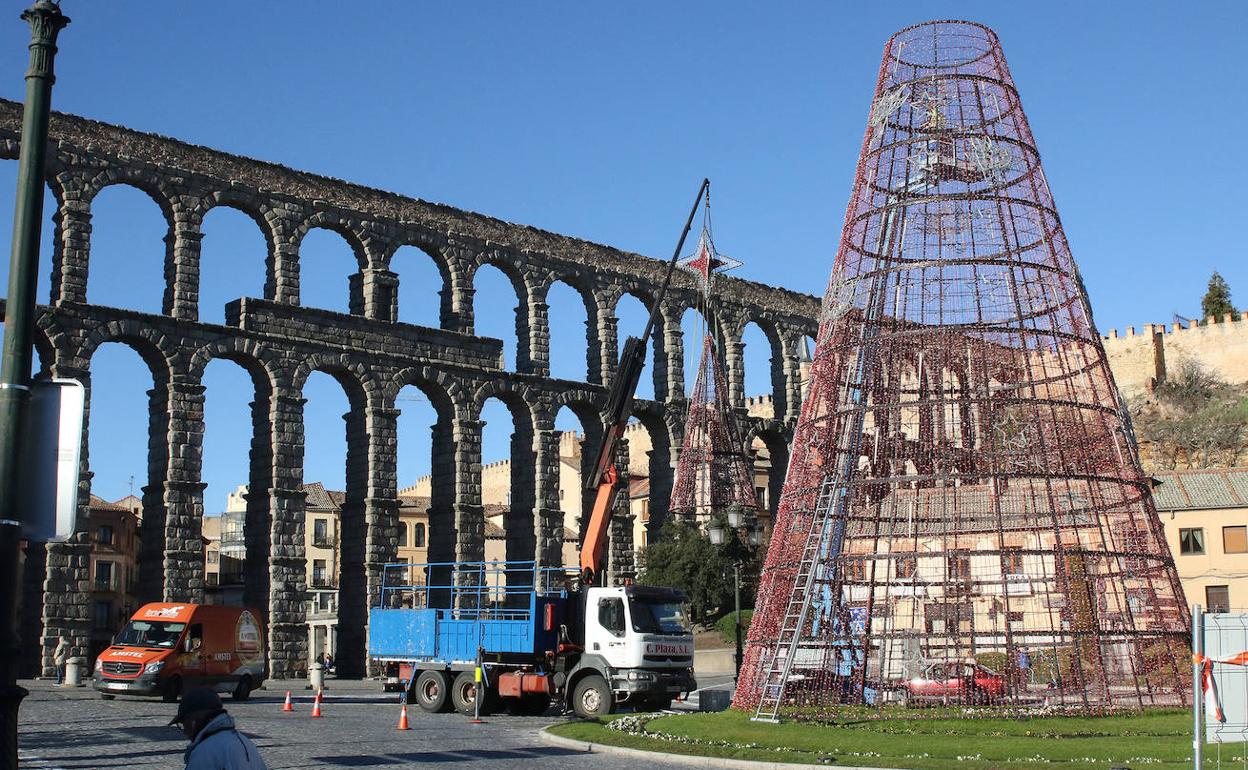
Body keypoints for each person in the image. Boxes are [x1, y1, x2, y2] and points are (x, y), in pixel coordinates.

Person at [169, 686, 267, 770]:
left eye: (184, 723)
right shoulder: (247, 743)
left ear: (195, 719)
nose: (185, 731)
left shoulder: (205, 752)